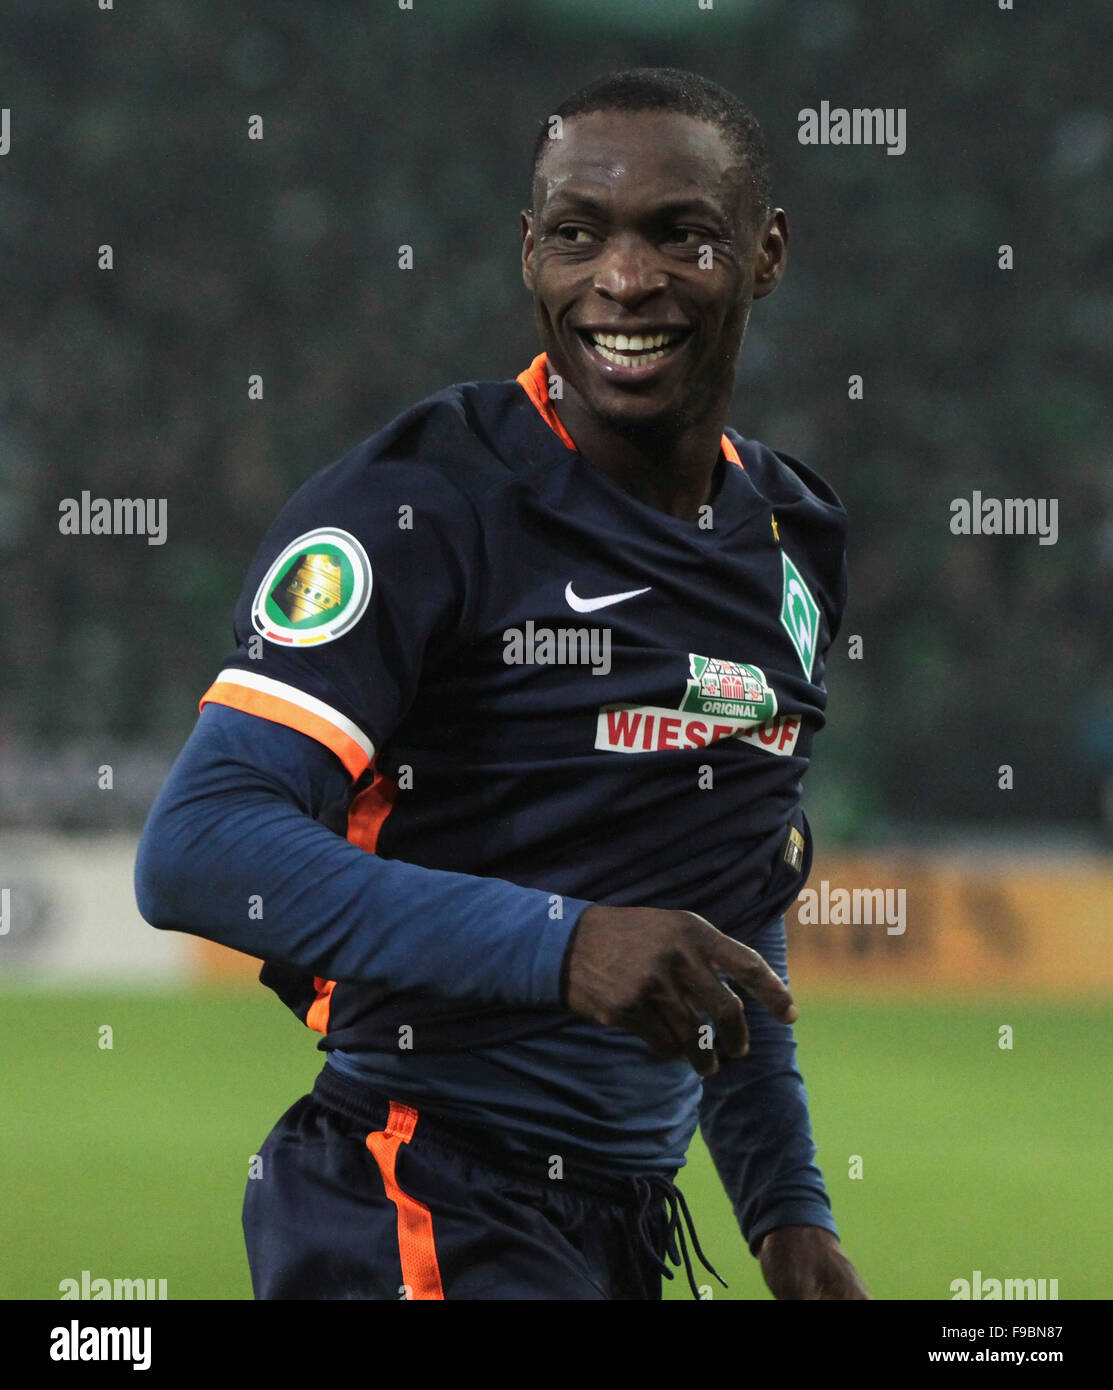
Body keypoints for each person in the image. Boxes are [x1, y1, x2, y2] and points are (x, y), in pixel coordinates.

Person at [135, 66, 868, 1301]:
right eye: (579, 235)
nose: (623, 282)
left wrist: (791, 1215)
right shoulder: (425, 503)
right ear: (531, 254)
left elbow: (726, 907)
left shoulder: (793, 538)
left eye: (680, 234)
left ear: (766, 253)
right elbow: (200, 846)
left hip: (623, 1230)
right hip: (419, 1201)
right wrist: (562, 942)